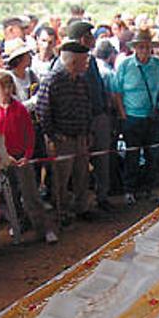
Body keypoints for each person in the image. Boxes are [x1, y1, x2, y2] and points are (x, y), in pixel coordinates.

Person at [0, 70, 58, 244]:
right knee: (11, 195)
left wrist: (27, 155)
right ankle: (19, 223)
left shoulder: (19, 108)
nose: (6, 89)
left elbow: (29, 134)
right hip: (4, 158)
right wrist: (3, 156)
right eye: (2, 85)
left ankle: (44, 227)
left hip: (22, 157)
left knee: (31, 194)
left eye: (9, 85)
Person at [36, 41, 94, 224]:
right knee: (61, 179)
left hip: (80, 136)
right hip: (62, 139)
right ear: (73, 61)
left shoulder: (81, 81)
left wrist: (88, 132)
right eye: (84, 60)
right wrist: (52, 136)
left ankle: (82, 208)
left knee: (82, 175)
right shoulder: (52, 80)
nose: (86, 64)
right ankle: (62, 213)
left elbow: (87, 107)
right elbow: (42, 111)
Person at [113, 29, 159, 204]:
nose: (145, 51)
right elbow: (117, 92)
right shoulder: (125, 66)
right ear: (135, 48)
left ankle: (148, 189)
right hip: (132, 117)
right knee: (132, 155)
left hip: (153, 117)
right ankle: (130, 190)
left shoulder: (158, 65)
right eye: (141, 47)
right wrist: (123, 114)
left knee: (153, 154)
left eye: (147, 47)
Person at [66, 20, 114, 211]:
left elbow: (98, 88)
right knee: (81, 165)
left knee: (103, 160)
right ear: (81, 38)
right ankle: (83, 204)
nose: (93, 39)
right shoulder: (69, 62)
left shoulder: (91, 60)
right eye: (89, 36)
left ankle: (102, 197)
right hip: (82, 121)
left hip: (99, 115)